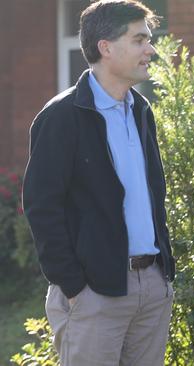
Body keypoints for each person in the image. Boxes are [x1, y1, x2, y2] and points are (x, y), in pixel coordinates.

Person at [22, 1, 174, 364]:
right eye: (139, 40)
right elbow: (41, 207)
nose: (150, 49)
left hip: (151, 288)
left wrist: (163, 275)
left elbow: (153, 196)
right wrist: (73, 286)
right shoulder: (62, 116)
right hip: (94, 293)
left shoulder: (141, 111)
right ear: (106, 47)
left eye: (148, 40)